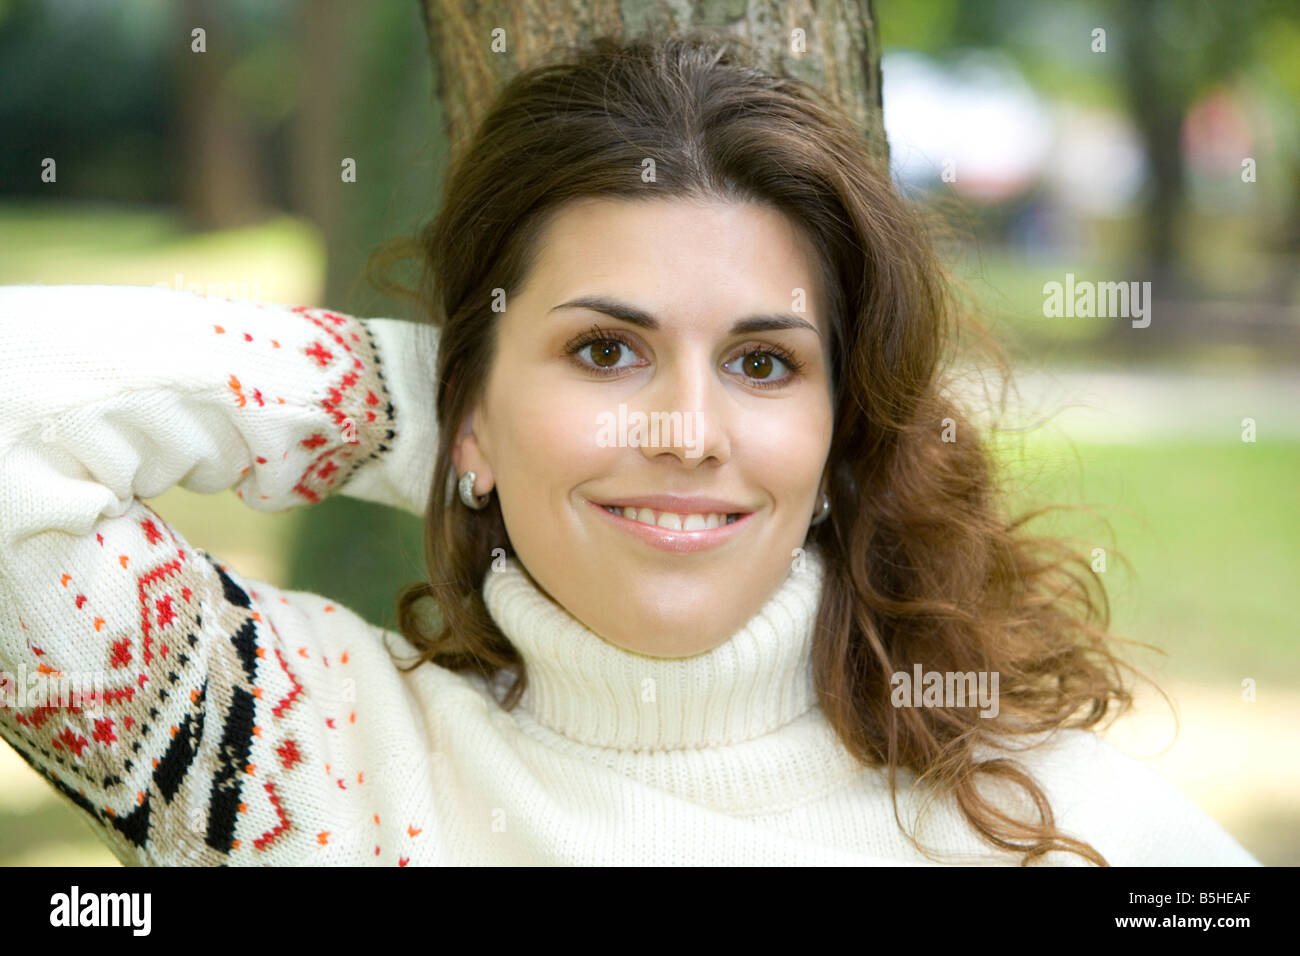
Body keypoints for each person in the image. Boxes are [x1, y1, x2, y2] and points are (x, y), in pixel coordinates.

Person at [0, 33, 1259, 866]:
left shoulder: (1055, 822)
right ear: (472, 413)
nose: (686, 431)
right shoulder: (303, 757)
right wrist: (442, 407)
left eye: (763, 363)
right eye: (606, 352)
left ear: (839, 433)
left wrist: (544, 429)